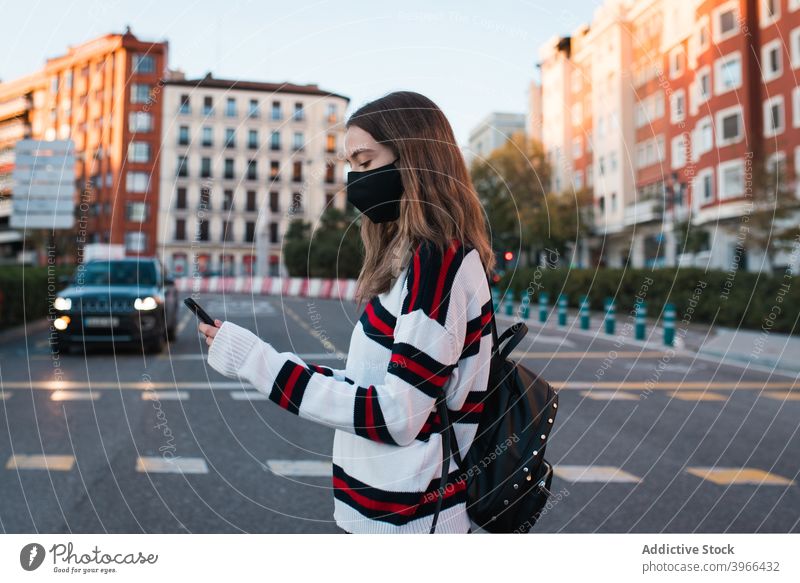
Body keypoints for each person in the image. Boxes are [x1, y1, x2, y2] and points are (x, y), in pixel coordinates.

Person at [199, 90, 496, 534]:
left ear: (413, 159)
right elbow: (373, 390)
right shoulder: (413, 261)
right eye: (350, 165)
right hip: (388, 514)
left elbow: (396, 415)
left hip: (413, 523)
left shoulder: (438, 264)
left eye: (365, 161)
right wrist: (251, 353)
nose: (354, 178)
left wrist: (257, 363)